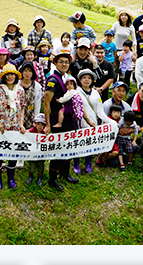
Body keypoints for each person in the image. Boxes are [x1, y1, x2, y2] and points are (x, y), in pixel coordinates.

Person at [43, 52, 80, 190]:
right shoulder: (53, 79)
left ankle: (65, 173)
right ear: (55, 63)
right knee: (58, 149)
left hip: (70, 119)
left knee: (69, 147)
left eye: (66, 62)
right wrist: (47, 124)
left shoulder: (67, 79)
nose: (64, 64)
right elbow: (46, 103)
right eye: (61, 62)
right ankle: (53, 178)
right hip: (57, 120)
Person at [0, 64, 26, 189]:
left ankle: (11, 177)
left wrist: (21, 122)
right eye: (7, 75)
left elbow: (22, 107)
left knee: (13, 152)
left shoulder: (20, 90)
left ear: (16, 76)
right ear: (4, 77)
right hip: (0, 128)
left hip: (14, 127)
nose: (10, 77)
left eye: (12, 75)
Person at [74, 68, 115, 174]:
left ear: (92, 80)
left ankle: (88, 163)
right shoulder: (76, 92)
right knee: (78, 143)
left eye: (89, 78)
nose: (86, 80)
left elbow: (100, 111)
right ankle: (76, 163)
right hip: (80, 122)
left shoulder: (96, 93)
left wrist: (110, 121)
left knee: (90, 143)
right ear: (80, 79)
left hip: (92, 123)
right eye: (84, 78)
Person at [27, 114, 48, 186]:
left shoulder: (45, 133)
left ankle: (40, 178)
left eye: (42, 125)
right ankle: (30, 176)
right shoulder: (33, 130)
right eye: (38, 124)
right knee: (31, 166)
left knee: (40, 166)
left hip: (41, 154)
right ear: (34, 124)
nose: (40, 126)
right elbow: (27, 132)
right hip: (32, 153)